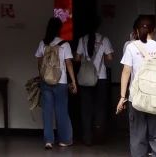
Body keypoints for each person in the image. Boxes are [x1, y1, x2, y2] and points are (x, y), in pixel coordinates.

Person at [116, 14, 156, 157]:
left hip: (136, 100)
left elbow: (126, 72)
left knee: (137, 139)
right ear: (153, 30)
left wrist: (122, 97)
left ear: (136, 31)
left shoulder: (131, 47)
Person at [35, 16, 76, 149]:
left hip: (46, 81)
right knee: (61, 111)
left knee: (47, 111)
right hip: (61, 81)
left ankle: (48, 140)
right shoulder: (64, 44)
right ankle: (64, 140)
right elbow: (69, 63)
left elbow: (39, 61)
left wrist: (42, 76)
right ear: (59, 29)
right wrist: (73, 81)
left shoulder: (43, 43)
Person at [74, 15, 114, 146]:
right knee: (100, 108)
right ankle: (99, 136)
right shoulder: (104, 39)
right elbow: (110, 58)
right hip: (100, 78)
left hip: (86, 79)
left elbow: (77, 58)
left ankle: (87, 137)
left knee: (86, 108)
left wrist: (85, 58)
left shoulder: (82, 40)